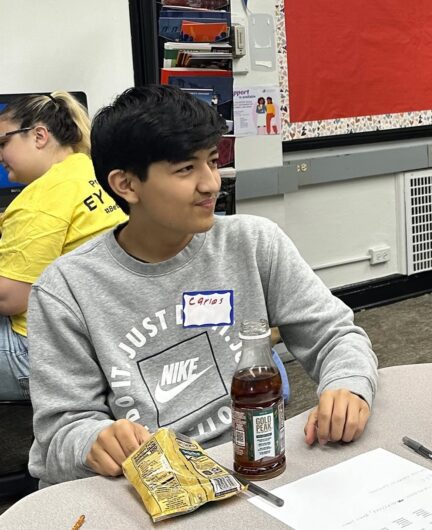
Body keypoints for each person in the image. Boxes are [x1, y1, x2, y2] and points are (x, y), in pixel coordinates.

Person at [26, 85, 378, 485]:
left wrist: (348, 386)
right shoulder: (67, 289)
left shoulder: (252, 242)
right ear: (126, 185)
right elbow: (60, 432)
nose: (211, 183)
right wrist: (93, 439)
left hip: (256, 463)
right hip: (150, 484)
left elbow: (334, 336)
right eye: (185, 169)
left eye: (212, 162)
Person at [0, 92, 126, 400]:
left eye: (3, 143)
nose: (0, 156)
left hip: (44, 355)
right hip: (103, 340)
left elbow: (9, 298)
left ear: (40, 135)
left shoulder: (39, 198)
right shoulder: (89, 170)